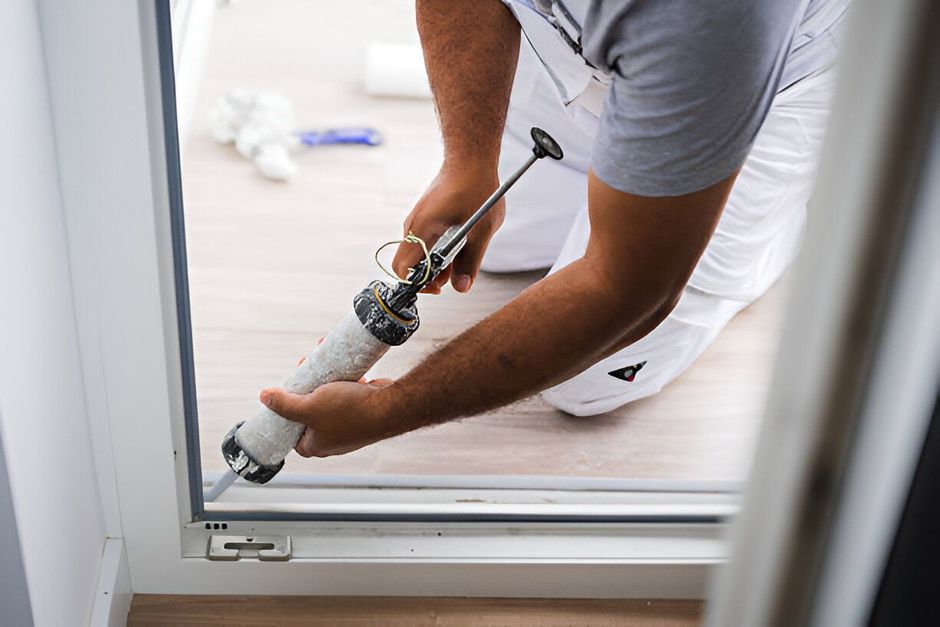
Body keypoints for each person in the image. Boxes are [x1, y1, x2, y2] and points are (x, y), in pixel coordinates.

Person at [260, 0, 850, 457]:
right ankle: (633, 179)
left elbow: (626, 292)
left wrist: (388, 410)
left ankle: (767, 220)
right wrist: (468, 161)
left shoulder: (704, 20)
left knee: (586, 383)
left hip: (761, 92)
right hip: (603, 47)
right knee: (496, 248)